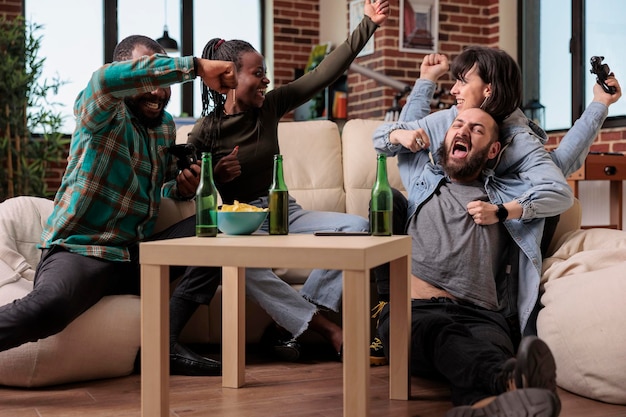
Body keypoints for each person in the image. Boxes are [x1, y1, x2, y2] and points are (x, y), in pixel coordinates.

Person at [0, 35, 239, 377]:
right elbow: (105, 80)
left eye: (163, 83)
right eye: (151, 79)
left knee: (217, 226)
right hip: (80, 252)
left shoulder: (164, 128)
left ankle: (164, 342)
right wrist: (196, 67)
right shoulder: (102, 109)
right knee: (48, 309)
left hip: (133, 257)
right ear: (130, 74)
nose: (158, 91)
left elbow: (160, 184)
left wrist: (183, 186)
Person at [368, 46, 622, 365]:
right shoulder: (448, 124)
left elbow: (556, 177)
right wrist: (424, 84)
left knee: (489, 355)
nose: (454, 89)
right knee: (386, 198)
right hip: (420, 294)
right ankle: (387, 303)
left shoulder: (517, 142)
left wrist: (599, 105)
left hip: (482, 300)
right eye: (454, 81)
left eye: (462, 81)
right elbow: (403, 136)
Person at [184, 0, 390, 361]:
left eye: (265, 72)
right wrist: (215, 175)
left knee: (358, 226)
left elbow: (323, 74)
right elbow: (188, 189)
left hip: (282, 211)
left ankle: (289, 321)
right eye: (257, 73)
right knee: (236, 264)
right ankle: (327, 329)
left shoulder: (271, 106)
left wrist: (367, 24)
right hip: (238, 225)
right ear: (230, 78)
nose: (266, 79)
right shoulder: (204, 131)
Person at [379, 107, 562, 416]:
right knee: (446, 334)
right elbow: (390, 134)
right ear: (446, 136)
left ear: (493, 150)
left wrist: (600, 104)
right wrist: (423, 89)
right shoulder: (421, 184)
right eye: (458, 125)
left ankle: (483, 406)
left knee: (482, 354)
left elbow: (557, 187)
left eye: (477, 129)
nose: (462, 131)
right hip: (416, 313)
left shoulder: (508, 198)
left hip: (483, 317)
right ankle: (510, 380)